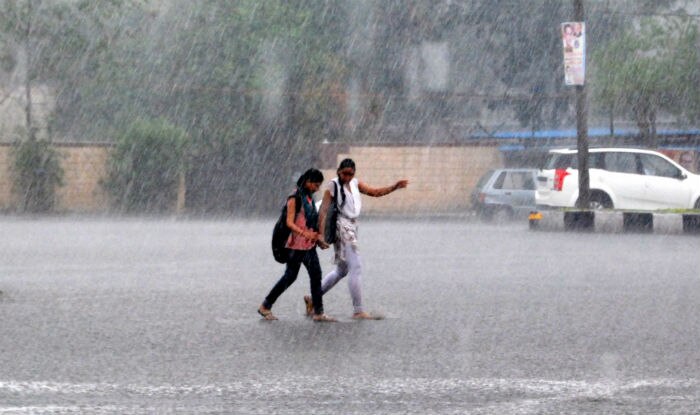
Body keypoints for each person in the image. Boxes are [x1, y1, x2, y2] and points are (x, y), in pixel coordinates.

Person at [308, 158, 409, 319]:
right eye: (344, 173)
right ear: (339, 171)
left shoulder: (355, 183)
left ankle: (314, 299)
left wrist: (394, 187)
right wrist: (320, 234)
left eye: (350, 174)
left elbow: (375, 192)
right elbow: (324, 211)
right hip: (342, 227)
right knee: (356, 266)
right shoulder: (333, 186)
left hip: (353, 227)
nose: (347, 177)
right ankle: (358, 310)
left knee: (342, 270)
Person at [258, 168, 336, 322]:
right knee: (290, 277)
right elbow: (289, 222)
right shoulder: (294, 197)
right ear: (307, 182)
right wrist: (305, 234)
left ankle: (319, 312)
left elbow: (311, 221)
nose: (317, 188)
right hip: (295, 246)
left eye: (319, 186)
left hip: (308, 245)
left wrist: (317, 238)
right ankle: (265, 306)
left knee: (315, 275)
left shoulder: (308, 198)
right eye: (315, 185)